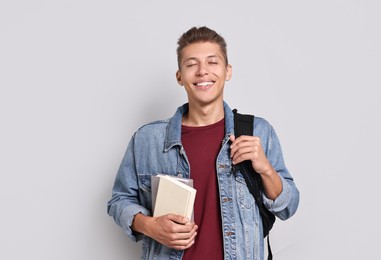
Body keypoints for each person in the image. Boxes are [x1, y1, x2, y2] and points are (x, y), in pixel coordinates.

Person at [107, 26, 299, 260]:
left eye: (212, 62)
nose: (202, 71)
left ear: (228, 71)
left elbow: (288, 207)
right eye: (191, 64)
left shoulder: (258, 132)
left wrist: (266, 169)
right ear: (179, 76)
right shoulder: (147, 139)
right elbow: (119, 200)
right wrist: (149, 225)